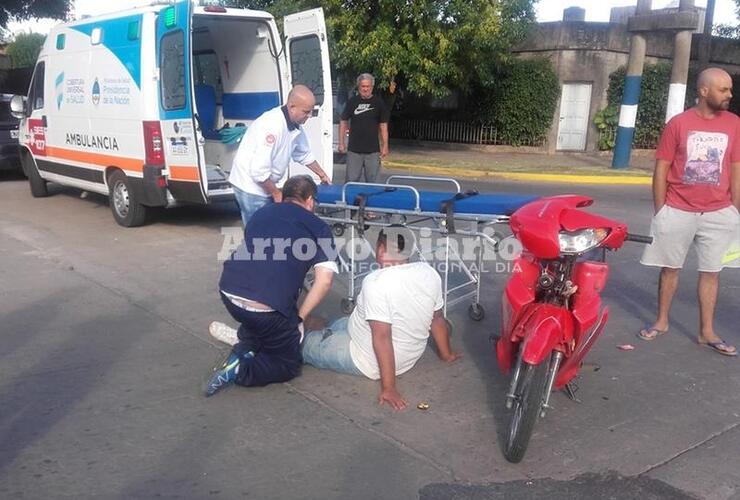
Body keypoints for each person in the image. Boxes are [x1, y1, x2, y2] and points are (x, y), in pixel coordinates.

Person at [638, 67, 740, 357]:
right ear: (704, 91)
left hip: (719, 212)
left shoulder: (734, 123)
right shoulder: (679, 124)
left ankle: (706, 331)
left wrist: (734, 209)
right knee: (670, 269)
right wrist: (662, 211)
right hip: (678, 208)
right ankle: (661, 321)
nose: (729, 95)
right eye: (724, 90)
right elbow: (662, 168)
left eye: (730, 89)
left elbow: (736, 168)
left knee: (712, 272)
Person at [205, 175, 338, 396]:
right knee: (287, 362)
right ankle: (241, 370)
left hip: (229, 292)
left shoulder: (261, 213)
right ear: (310, 200)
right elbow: (324, 282)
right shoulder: (318, 227)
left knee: (268, 314)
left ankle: (244, 345)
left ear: (284, 197)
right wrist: (300, 318)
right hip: (265, 308)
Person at [301, 229, 461, 410]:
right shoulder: (429, 272)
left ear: (382, 249)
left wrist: (389, 388)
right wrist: (447, 354)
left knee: (300, 343)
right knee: (337, 324)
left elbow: (382, 336)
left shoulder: (376, 282)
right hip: (406, 354)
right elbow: (437, 319)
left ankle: (305, 335)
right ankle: (319, 329)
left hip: (365, 359)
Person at [228, 85, 331, 227]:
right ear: (292, 106)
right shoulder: (272, 126)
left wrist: (322, 174)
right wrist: (276, 193)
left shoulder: (295, 125)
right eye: (306, 112)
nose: (310, 116)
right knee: (258, 233)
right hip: (250, 185)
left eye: (312, 112)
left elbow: (304, 154)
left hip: (264, 181)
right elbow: (258, 172)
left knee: (270, 229)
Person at [338, 73, 390, 183]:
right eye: (363, 86)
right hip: (354, 150)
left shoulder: (378, 103)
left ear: (372, 87)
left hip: (373, 151)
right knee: (351, 182)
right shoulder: (352, 102)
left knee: (373, 183)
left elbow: (383, 125)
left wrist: (385, 145)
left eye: (368, 86)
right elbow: (343, 121)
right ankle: (350, 201)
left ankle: (372, 201)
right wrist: (341, 143)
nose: (365, 89)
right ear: (359, 87)